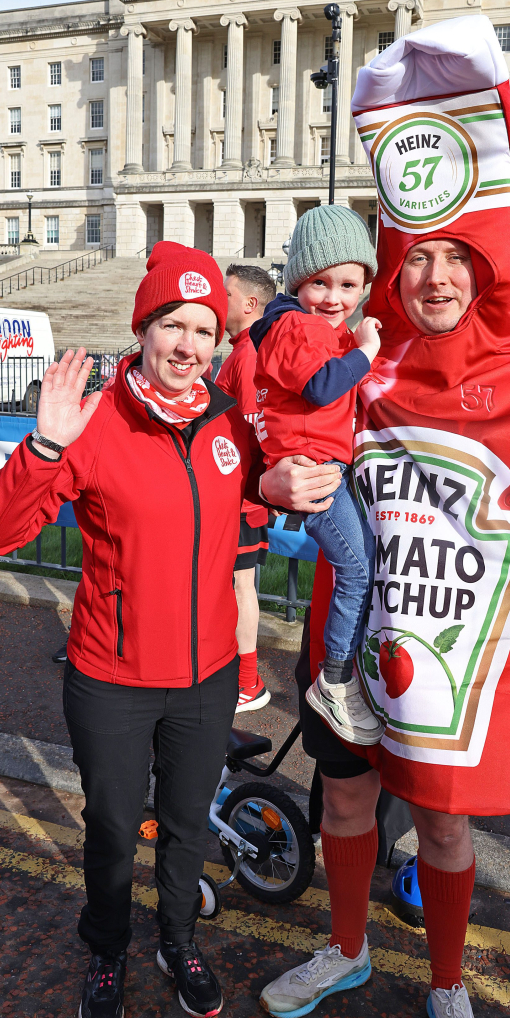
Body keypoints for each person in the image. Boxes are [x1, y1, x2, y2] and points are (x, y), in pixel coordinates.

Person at [257, 17, 510, 1018]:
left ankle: (447, 985)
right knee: (343, 805)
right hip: (355, 650)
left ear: (484, 269)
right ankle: (346, 949)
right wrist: (271, 485)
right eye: (419, 256)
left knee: (441, 824)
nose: (435, 275)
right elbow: (252, 443)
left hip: (462, 661)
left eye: (456, 256)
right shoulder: (363, 371)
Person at [0, 243, 263, 1018]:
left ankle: (178, 941)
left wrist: (290, 491)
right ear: (144, 329)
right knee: (109, 828)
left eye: (205, 329)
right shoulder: (94, 422)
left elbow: (258, 511)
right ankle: (107, 949)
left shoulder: (231, 422)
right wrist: (47, 445)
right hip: (113, 677)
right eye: (173, 324)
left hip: (204, 678)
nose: (189, 345)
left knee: (187, 825)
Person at [251, 205, 383, 745]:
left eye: (349, 284)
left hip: (322, 465)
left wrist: (357, 340)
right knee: (358, 567)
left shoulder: (313, 327)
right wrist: (368, 350)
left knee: (360, 562)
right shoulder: (295, 325)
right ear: (296, 283)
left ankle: (340, 670)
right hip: (312, 470)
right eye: (319, 283)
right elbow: (324, 386)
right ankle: (335, 678)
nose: (334, 298)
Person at [217, 263, 277, 713]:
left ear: (250, 304)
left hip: (240, 501)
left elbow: (256, 432)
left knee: (240, 586)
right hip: (234, 498)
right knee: (233, 586)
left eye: (227, 295)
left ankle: (248, 682)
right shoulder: (242, 350)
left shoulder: (250, 352)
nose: (220, 303)